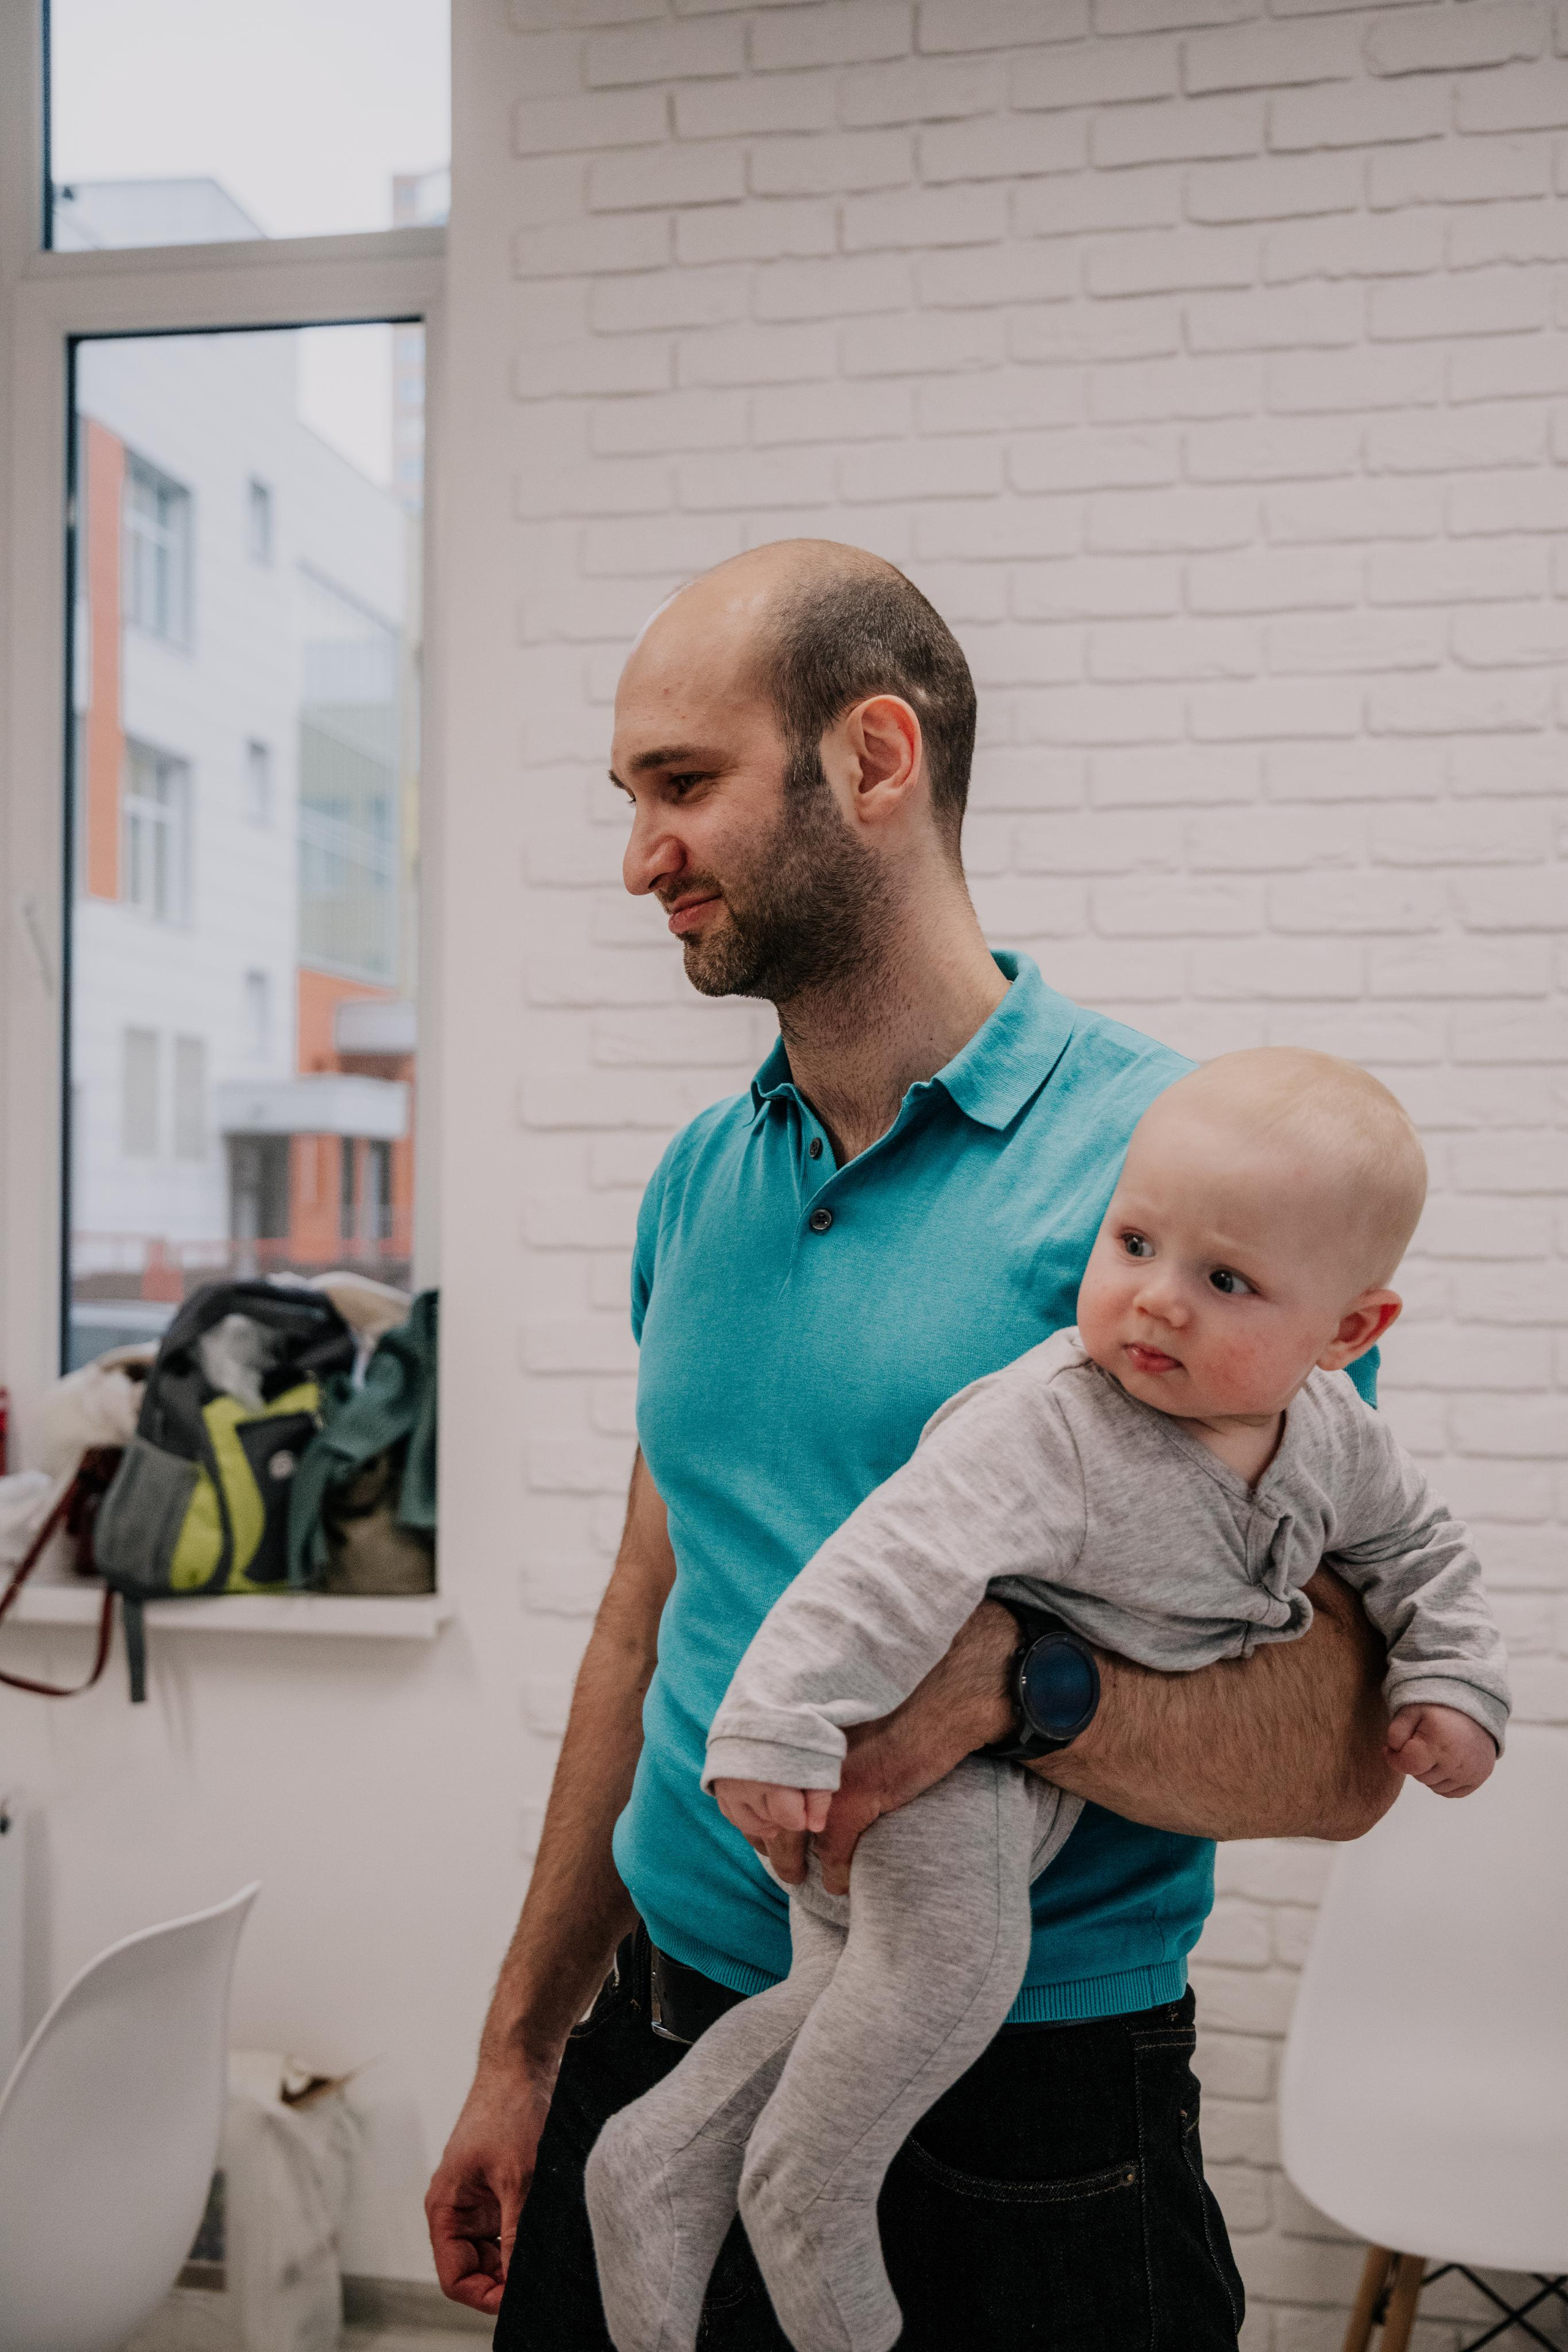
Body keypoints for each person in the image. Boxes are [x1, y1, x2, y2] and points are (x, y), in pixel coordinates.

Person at [426, 540, 1407, 2351]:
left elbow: (1347, 1745)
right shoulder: (701, 1178)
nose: (640, 854)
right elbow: (649, 1614)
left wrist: (1021, 1693)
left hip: (1020, 2113)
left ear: (874, 758)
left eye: (682, 783)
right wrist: (520, 2043)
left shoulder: (1179, 1190)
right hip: (659, 2037)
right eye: (629, 795)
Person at [584, 1048, 1507, 2352]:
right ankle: (808, 2187)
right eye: (1133, 1244)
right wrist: (780, 1724)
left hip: (1036, 1784)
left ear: (1347, 1333)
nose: (1156, 1299)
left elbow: (1421, 1553)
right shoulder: (1053, 1423)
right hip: (932, 1772)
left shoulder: (1334, 1439)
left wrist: (1450, 1675)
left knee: (849, 1988)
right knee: (947, 1967)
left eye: (1225, 1281)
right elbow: (884, 1562)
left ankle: (661, 2157)